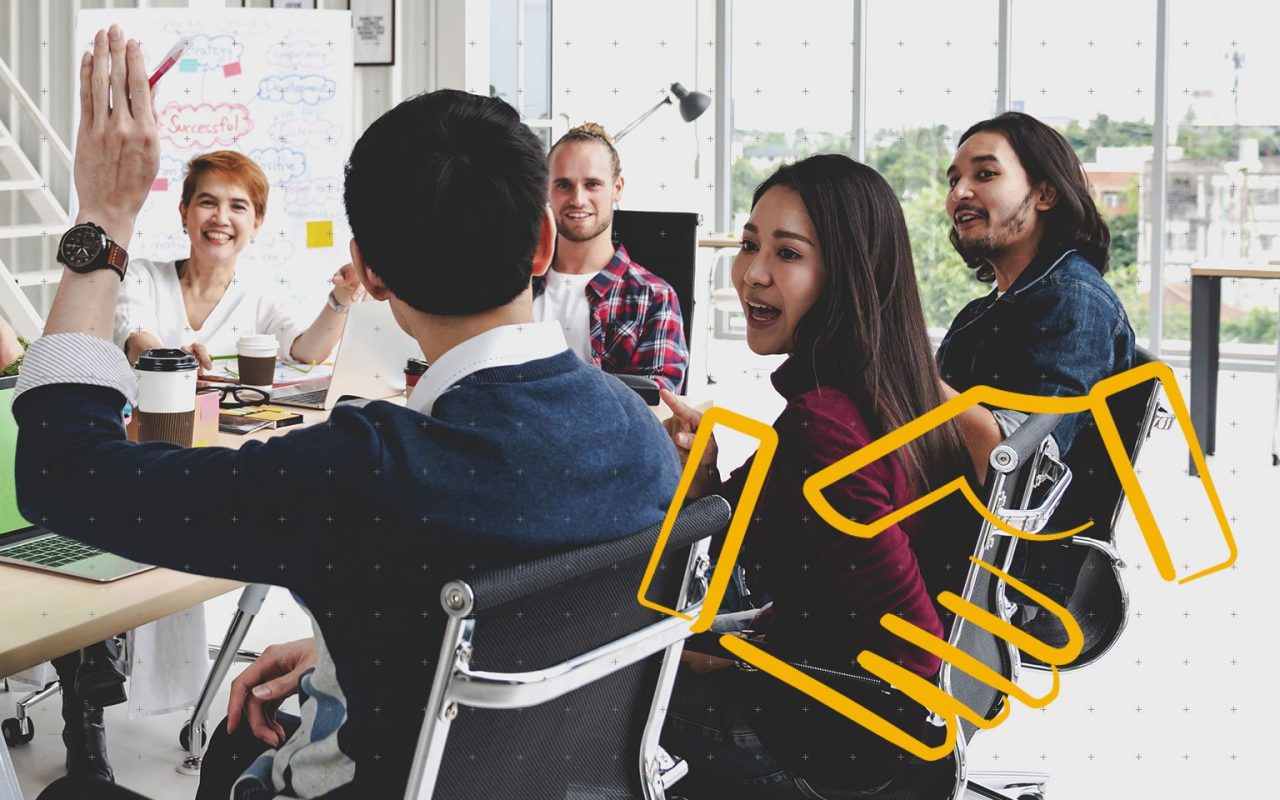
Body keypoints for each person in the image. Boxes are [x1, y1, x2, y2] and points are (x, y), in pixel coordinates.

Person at [18, 26, 680, 799]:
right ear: (542, 242)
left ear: (368, 271)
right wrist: (350, 644)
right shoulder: (641, 432)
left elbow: (62, 473)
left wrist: (103, 219)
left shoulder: (366, 472)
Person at [658, 154, 973, 798]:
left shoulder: (824, 427)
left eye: (789, 254)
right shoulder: (894, 390)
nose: (754, 275)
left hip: (825, 740)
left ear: (846, 277)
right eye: (750, 245)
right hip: (825, 703)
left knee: (578, 688)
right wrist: (707, 479)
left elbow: (913, 647)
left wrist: (761, 661)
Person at [937, 111, 1136, 478]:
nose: (959, 193)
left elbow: (1017, 464)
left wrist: (902, 372)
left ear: (1044, 193)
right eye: (953, 181)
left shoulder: (1074, 300)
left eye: (985, 174)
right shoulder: (983, 311)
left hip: (993, 529)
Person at [115, 148, 363, 371]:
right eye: (208, 202)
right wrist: (173, 364)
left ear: (257, 223)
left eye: (238, 207)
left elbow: (307, 352)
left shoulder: (260, 297)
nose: (221, 218)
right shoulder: (142, 277)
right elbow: (136, 339)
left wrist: (342, 295)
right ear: (184, 212)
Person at [535, 123, 688, 392]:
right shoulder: (515, 285)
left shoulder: (654, 297)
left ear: (617, 187)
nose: (578, 199)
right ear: (546, 189)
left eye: (592, 184)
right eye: (563, 185)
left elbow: (656, 409)